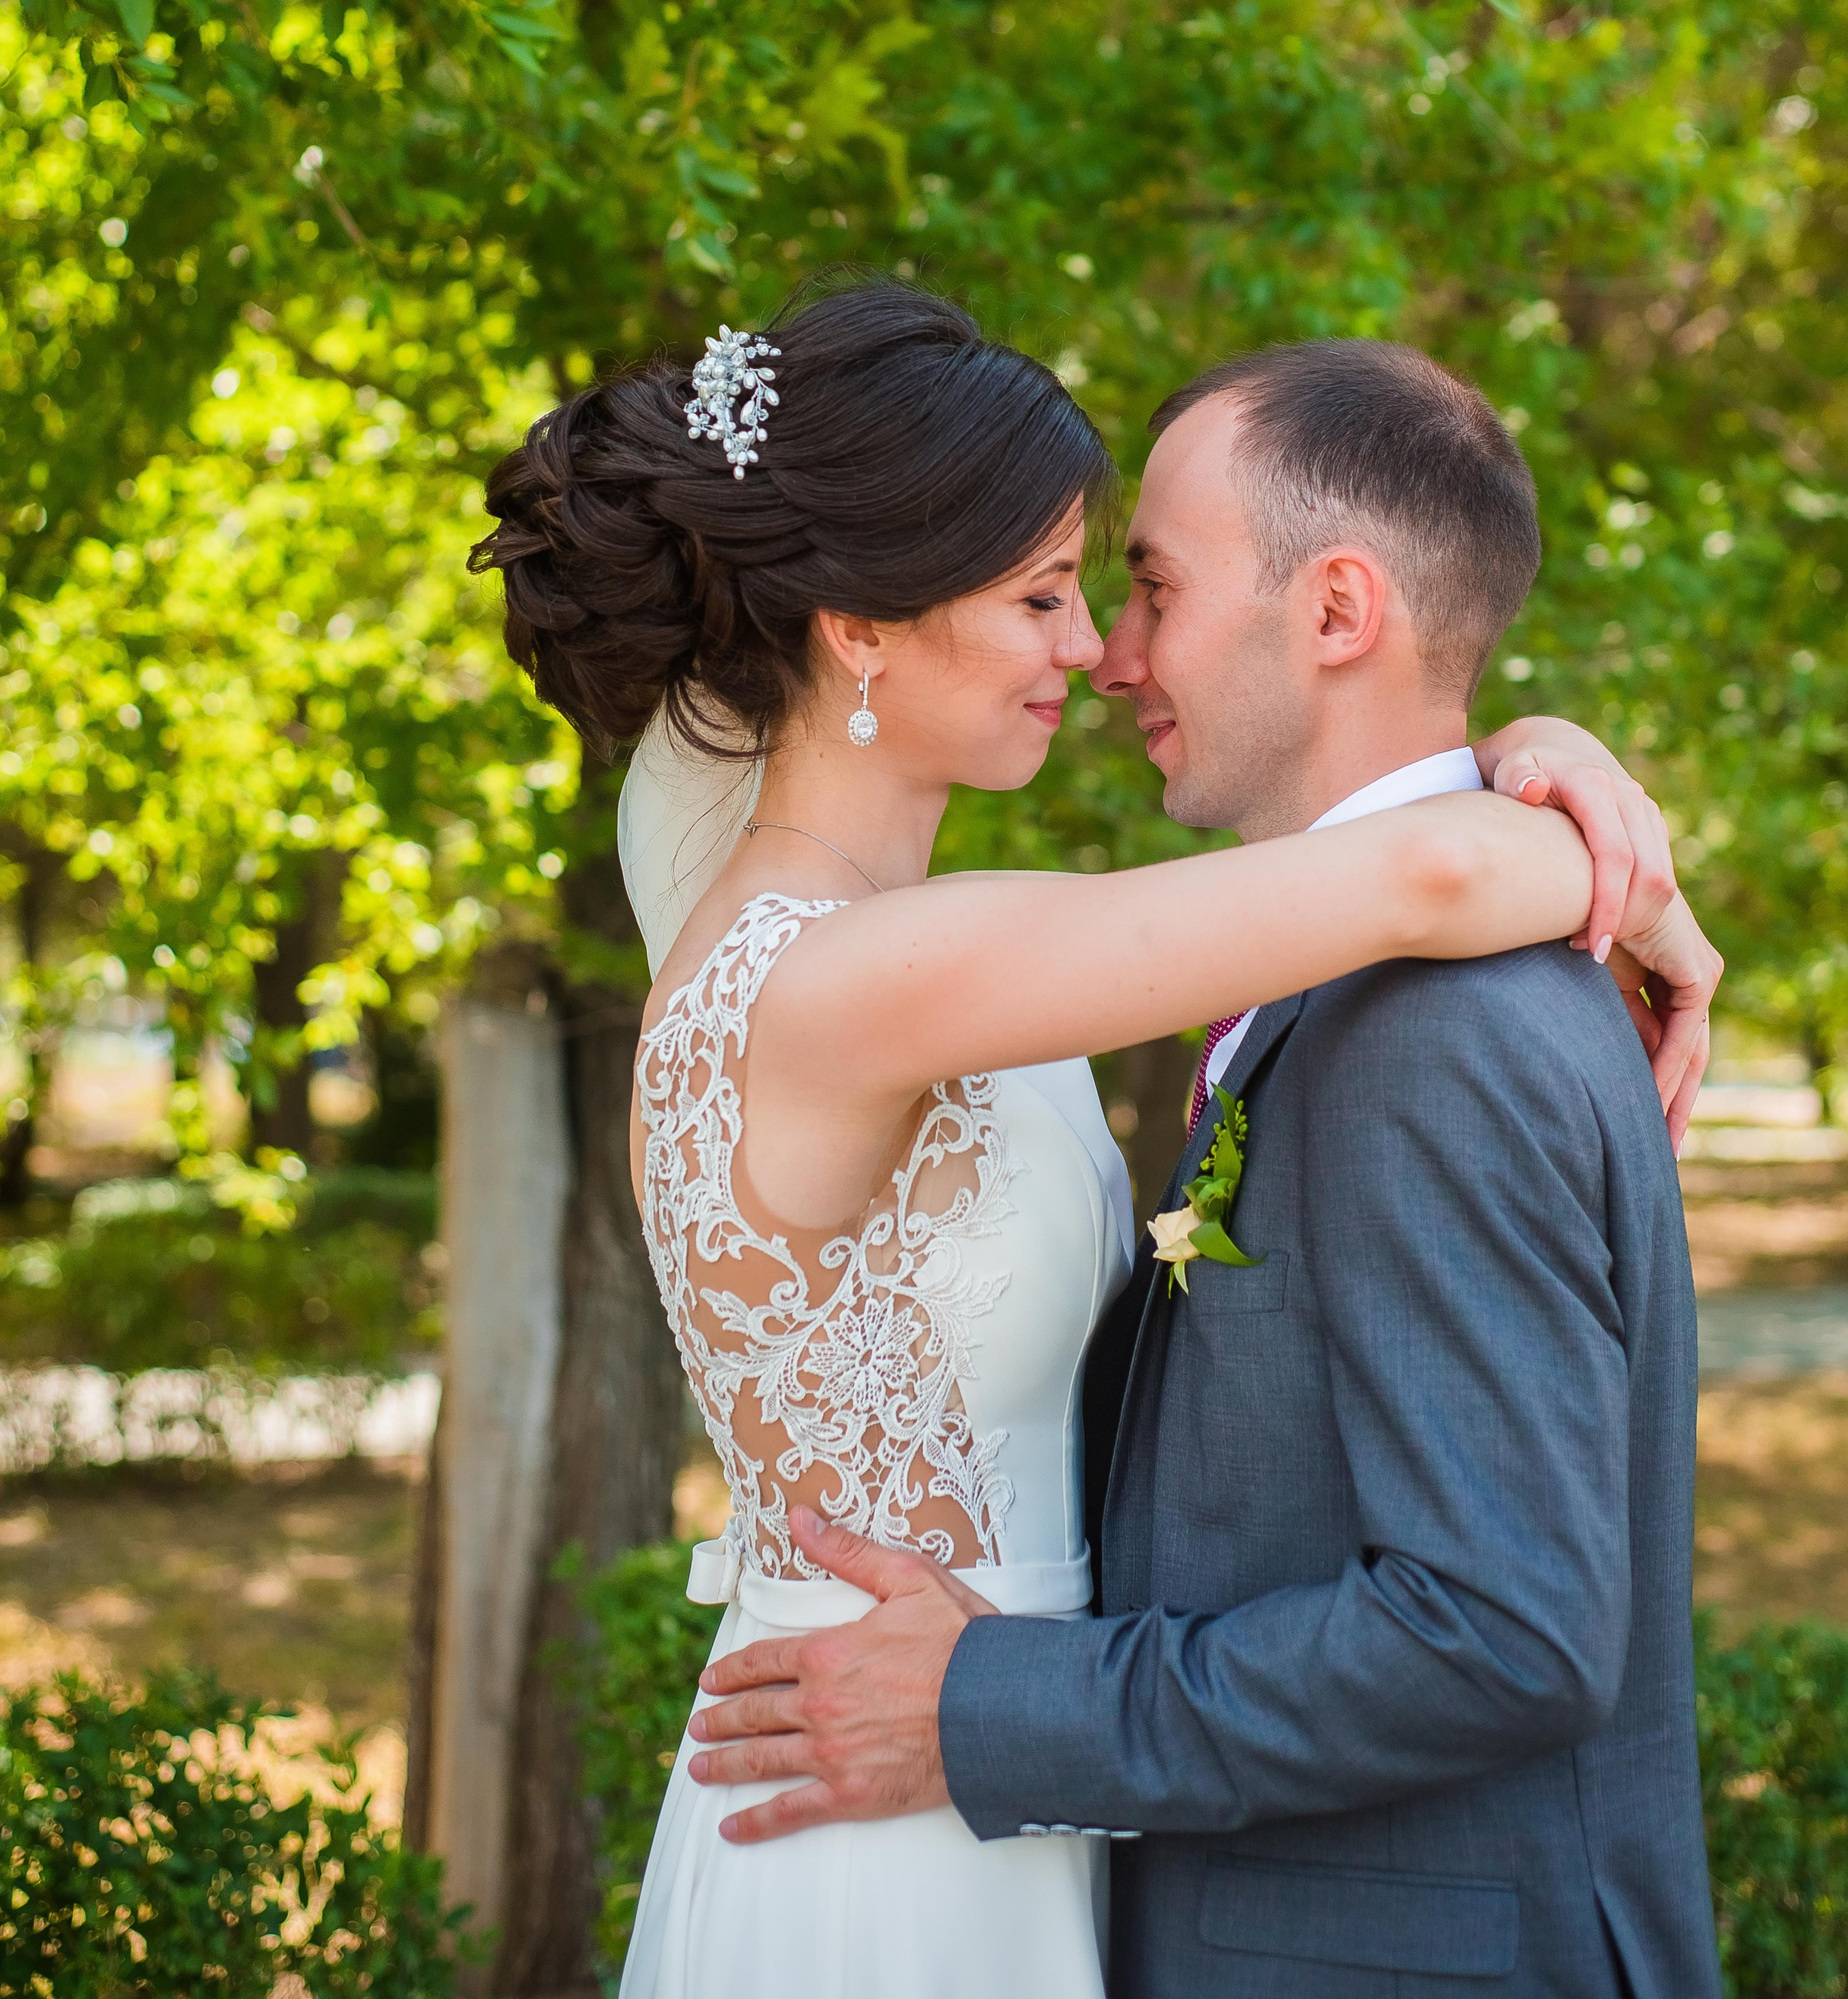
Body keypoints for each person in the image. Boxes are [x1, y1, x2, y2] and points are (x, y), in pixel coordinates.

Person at [470, 291, 1718, 1999]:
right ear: (860, 627)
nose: (1094, 651)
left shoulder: (886, 946)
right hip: (890, 1816)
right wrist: (1610, 855)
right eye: (1046, 593)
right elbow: (1426, 869)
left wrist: (1516, 751)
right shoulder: (850, 976)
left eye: (1119, 589)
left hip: (981, 1765)